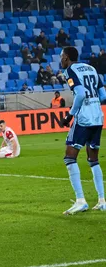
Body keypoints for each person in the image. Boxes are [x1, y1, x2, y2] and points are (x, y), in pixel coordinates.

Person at [59, 46, 106, 214]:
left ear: (67, 57)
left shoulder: (70, 70)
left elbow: (79, 94)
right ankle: (102, 200)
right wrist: (93, 105)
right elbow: (103, 95)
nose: (61, 59)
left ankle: (80, 200)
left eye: (62, 56)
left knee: (69, 157)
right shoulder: (92, 68)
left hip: (84, 118)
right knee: (93, 159)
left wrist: (70, 115)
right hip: (97, 118)